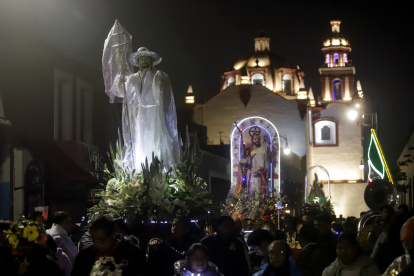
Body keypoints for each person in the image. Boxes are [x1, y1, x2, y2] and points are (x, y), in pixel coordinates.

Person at [110, 46, 180, 173]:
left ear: (150, 60)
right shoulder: (133, 78)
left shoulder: (158, 75)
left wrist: (161, 84)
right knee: (141, 138)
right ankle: (142, 169)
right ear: (138, 62)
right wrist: (120, 82)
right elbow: (122, 92)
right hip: (141, 114)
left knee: (156, 138)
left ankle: (158, 168)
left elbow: (165, 92)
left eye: (146, 59)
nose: (144, 61)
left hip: (155, 112)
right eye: (141, 59)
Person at [71, 214, 145, 276]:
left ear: (113, 234)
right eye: (93, 239)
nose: (97, 244)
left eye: (101, 240)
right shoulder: (85, 254)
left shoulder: (132, 253)